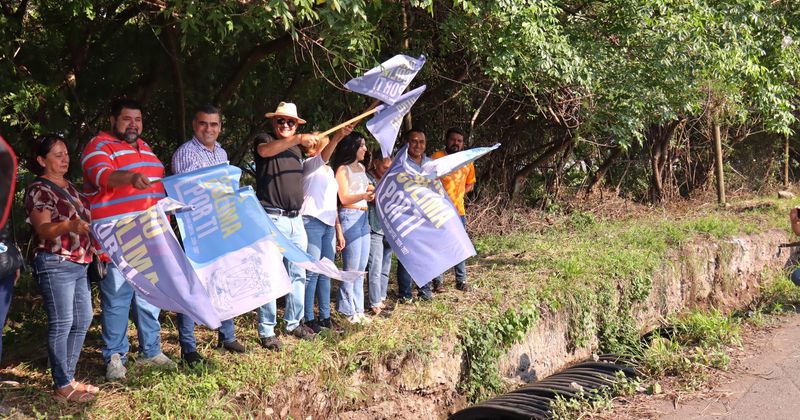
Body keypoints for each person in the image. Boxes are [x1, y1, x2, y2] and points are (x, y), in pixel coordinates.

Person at [81, 98, 176, 380]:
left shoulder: (145, 148)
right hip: (116, 242)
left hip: (150, 240)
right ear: (112, 120)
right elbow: (104, 177)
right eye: (126, 119)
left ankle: (151, 351)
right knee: (117, 301)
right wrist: (131, 178)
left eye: (138, 119)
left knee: (150, 299)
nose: (133, 125)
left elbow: (156, 189)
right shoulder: (98, 146)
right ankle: (115, 357)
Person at [171, 105, 247, 362]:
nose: (209, 129)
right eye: (204, 123)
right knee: (192, 285)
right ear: (195, 125)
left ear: (220, 127)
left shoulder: (221, 152)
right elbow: (187, 192)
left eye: (214, 124)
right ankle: (189, 347)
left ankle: (227, 336)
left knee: (223, 278)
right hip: (196, 228)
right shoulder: (186, 153)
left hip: (221, 226)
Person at [25, 134, 97, 402]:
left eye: (66, 153)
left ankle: (68, 377)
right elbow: (43, 229)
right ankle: (62, 385)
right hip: (55, 261)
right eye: (57, 155)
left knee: (83, 319)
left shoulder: (72, 188)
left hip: (80, 261)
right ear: (42, 160)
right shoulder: (39, 190)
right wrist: (69, 225)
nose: (65, 159)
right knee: (63, 322)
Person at [253, 102, 320, 350]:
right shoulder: (265, 139)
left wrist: (334, 138)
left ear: (296, 124)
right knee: (270, 273)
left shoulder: (296, 150)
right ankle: (267, 330)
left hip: (296, 220)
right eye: (281, 120)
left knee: (298, 272)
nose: (285, 125)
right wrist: (299, 139)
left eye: (290, 122)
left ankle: (293, 323)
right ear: (274, 122)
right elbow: (264, 152)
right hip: (272, 218)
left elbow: (319, 156)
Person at [300, 124, 353, 333]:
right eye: (324, 142)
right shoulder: (309, 165)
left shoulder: (329, 170)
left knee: (326, 272)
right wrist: (338, 137)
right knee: (312, 272)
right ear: (313, 148)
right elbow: (323, 156)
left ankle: (325, 316)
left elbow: (332, 203)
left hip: (329, 224)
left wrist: (338, 230)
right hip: (311, 221)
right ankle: (308, 317)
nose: (329, 145)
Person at [331, 133, 374, 323]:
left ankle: (359, 309)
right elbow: (344, 197)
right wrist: (363, 196)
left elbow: (366, 189)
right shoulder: (342, 169)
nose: (365, 149)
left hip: (364, 216)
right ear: (352, 147)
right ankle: (347, 310)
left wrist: (371, 192)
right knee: (351, 267)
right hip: (350, 215)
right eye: (361, 145)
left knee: (362, 267)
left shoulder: (362, 168)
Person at [431, 127, 475, 292]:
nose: (456, 143)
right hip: (438, 211)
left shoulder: (467, 160)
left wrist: (460, 192)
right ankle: (438, 282)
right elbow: (427, 180)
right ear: (446, 140)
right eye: (453, 140)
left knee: (459, 246)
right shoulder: (436, 158)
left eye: (459, 141)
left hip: (458, 211)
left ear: (463, 143)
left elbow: (470, 183)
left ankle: (461, 281)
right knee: (438, 246)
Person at [395, 128, 435, 302]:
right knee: (406, 255)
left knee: (425, 254)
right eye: (414, 141)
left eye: (422, 142)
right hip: (406, 216)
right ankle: (405, 294)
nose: (418, 145)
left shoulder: (431, 164)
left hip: (426, 216)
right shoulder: (399, 164)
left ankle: (424, 291)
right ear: (407, 143)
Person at [365, 150, 393, 316]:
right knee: (375, 266)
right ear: (375, 163)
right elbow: (376, 198)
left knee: (385, 266)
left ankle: (381, 298)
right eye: (385, 167)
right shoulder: (367, 178)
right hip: (373, 227)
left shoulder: (390, 179)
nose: (387, 170)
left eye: (390, 168)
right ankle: (374, 303)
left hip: (389, 228)